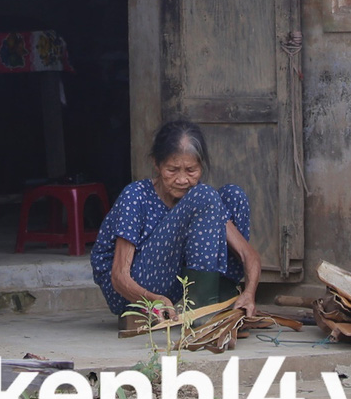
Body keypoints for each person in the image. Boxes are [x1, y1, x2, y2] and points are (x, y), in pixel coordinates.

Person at [90, 120, 261, 322]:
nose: (182, 180)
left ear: (201, 166)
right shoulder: (136, 195)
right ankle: (200, 312)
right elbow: (119, 277)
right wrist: (155, 300)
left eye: (191, 171)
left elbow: (247, 254)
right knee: (205, 195)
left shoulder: (200, 201)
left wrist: (249, 294)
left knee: (233, 195)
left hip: (177, 282)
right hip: (132, 290)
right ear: (156, 163)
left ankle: (212, 298)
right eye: (172, 170)